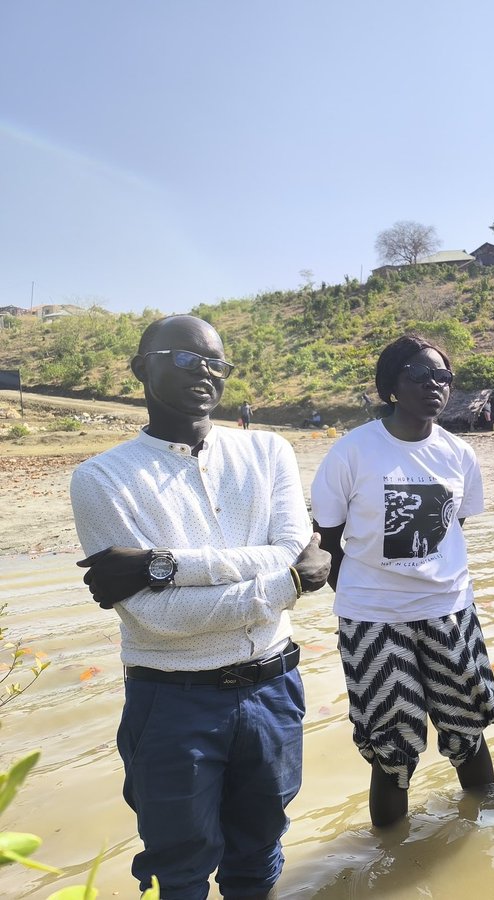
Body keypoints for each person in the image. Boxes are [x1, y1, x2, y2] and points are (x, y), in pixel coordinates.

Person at [70, 315, 331, 900]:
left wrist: (162, 565)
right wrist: (288, 584)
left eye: (217, 363)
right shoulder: (102, 478)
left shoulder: (269, 451)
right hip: (172, 700)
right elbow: (160, 619)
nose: (206, 373)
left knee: (260, 854)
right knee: (177, 870)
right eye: (187, 359)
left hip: (273, 689)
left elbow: (292, 549)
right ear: (142, 369)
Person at [311, 336, 494, 829]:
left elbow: (453, 527)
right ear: (391, 386)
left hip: (450, 611)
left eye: (443, 377)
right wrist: (369, 597)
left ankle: (485, 837)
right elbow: (327, 541)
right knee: (391, 751)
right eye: (420, 374)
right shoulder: (353, 452)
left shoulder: (459, 454)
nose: (434, 385)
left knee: (468, 732)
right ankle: (391, 854)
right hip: (373, 620)